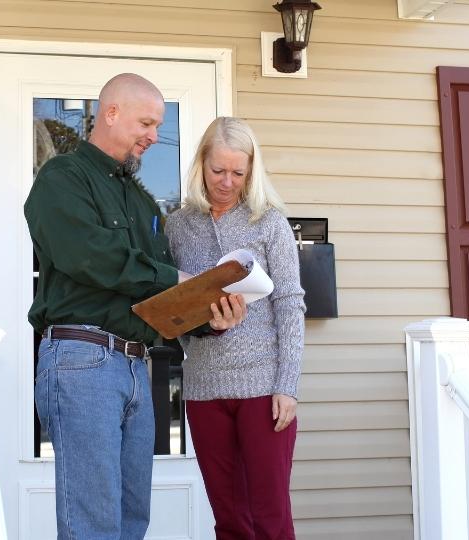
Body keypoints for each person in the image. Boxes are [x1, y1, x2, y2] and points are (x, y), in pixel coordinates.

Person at [23, 74, 245, 540]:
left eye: (158, 124)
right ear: (111, 113)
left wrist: (211, 316)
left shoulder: (141, 199)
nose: (153, 135)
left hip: (136, 366)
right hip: (83, 360)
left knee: (130, 519)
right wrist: (175, 279)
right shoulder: (62, 179)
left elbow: (162, 293)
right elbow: (90, 255)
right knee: (93, 523)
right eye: (146, 122)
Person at [165, 117, 306, 540]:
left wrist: (288, 385)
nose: (227, 181)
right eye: (217, 170)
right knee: (229, 520)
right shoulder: (178, 225)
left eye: (238, 173)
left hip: (264, 388)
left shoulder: (270, 223)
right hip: (205, 388)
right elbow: (176, 310)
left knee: (271, 518)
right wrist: (199, 323)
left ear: (251, 171)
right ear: (200, 165)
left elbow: (289, 303)